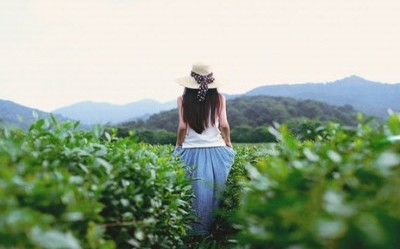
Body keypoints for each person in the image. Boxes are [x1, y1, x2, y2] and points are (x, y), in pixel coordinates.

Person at [173, 62, 236, 236]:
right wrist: (228, 142)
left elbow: (182, 127)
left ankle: (191, 232)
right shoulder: (219, 98)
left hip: (191, 151)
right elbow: (224, 124)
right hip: (216, 150)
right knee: (214, 191)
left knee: (191, 191)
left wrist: (179, 144)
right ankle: (211, 232)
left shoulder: (182, 100)